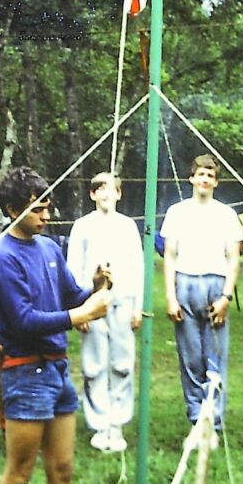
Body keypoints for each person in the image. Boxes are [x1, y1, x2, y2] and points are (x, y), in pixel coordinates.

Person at [0, 166, 120, 484]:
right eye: (37, 208)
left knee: (62, 469)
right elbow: (23, 321)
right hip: (25, 372)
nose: (46, 215)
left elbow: (69, 296)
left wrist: (94, 286)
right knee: (18, 473)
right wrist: (83, 314)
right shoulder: (2, 258)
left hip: (57, 371)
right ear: (12, 209)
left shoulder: (48, 247)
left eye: (48, 206)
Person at [160, 153, 242, 435]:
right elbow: (170, 255)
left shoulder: (226, 214)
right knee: (190, 357)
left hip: (216, 283)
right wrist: (171, 296)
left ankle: (214, 421)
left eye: (210, 175)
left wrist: (226, 297)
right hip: (185, 283)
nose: (205, 179)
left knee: (214, 357)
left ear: (216, 182)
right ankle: (196, 417)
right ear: (192, 178)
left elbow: (233, 258)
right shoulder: (177, 212)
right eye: (201, 174)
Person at [67, 171, 143, 453]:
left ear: (119, 194)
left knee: (122, 363)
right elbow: (73, 267)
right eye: (99, 189)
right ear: (92, 194)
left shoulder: (128, 226)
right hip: (92, 303)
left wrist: (138, 306)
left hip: (123, 301)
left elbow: (138, 267)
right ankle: (99, 424)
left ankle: (117, 423)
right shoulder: (82, 226)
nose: (105, 194)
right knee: (95, 364)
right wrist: (79, 308)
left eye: (110, 189)